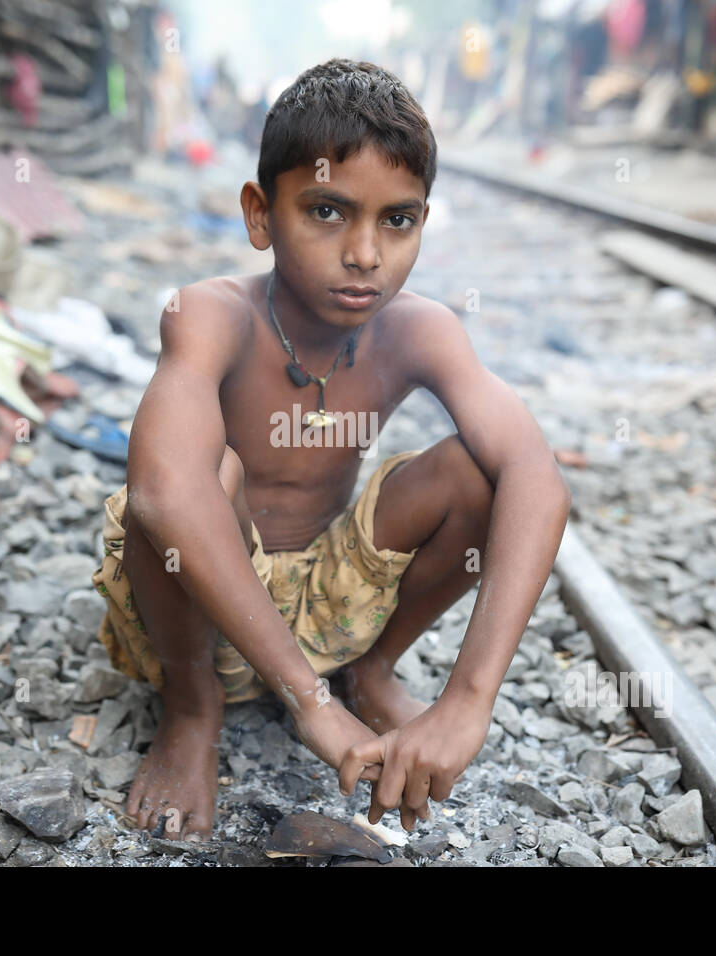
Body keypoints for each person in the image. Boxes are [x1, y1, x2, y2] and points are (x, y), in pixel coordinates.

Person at [91, 58, 571, 842]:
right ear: (259, 215)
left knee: (479, 472)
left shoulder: (421, 329)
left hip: (329, 597)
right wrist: (310, 706)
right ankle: (192, 710)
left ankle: (371, 670)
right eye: (326, 211)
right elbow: (163, 493)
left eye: (397, 220)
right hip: (202, 604)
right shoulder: (211, 316)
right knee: (193, 473)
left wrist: (467, 700)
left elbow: (536, 477)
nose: (364, 254)